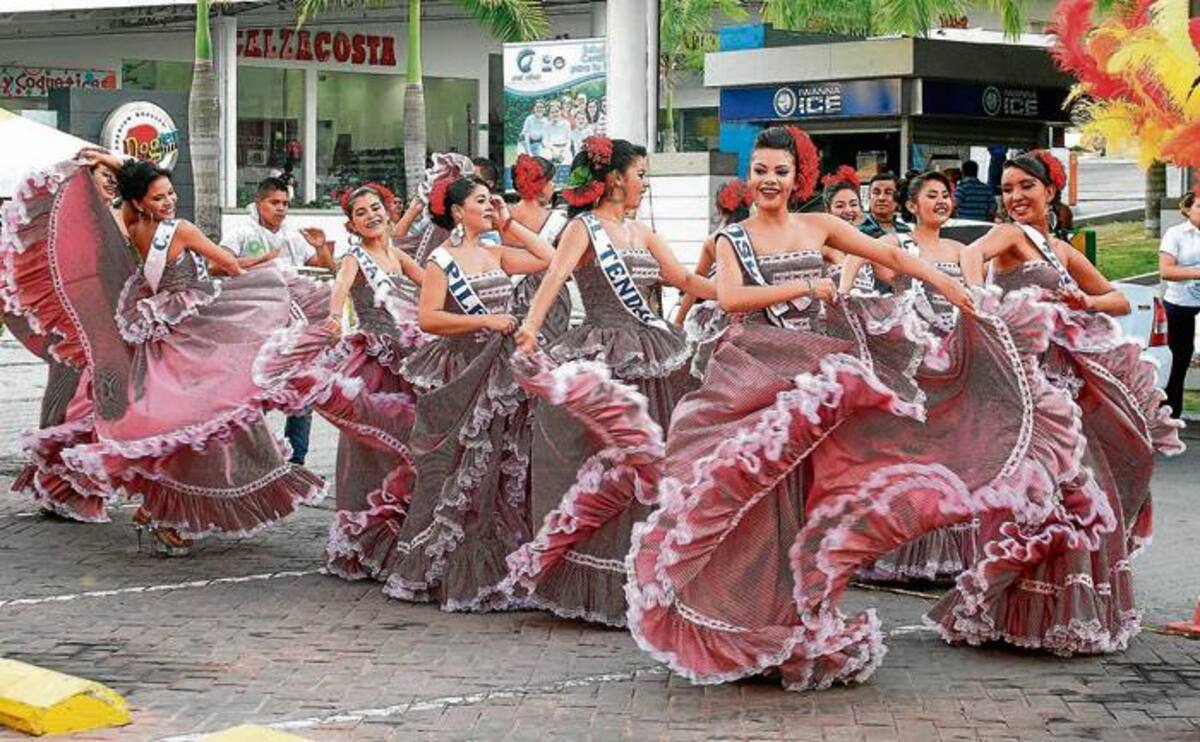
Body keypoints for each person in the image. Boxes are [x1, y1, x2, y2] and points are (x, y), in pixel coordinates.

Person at [625, 125, 979, 690]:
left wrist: (949, 285)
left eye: (780, 172)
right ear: (749, 176)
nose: (769, 181)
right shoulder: (731, 238)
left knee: (809, 508)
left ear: (797, 177)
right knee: (756, 509)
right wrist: (805, 290)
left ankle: (799, 620)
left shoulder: (819, 226)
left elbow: (887, 253)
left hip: (811, 381)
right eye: (760, 171)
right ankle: (750, 623)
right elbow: (733, 298)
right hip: (753, 377)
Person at [929, 150, 1185, 654]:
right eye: (1007, 189)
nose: (1016, 197)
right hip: (1025, 387)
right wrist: (984, 304)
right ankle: (1012, 609)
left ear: (1051, 191)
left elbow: (1116, 297)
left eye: (1026, 186)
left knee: (1079, 495)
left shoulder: (1060, 251)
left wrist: (1083, 302)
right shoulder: (1009, 236)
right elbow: (967, 256)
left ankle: (1051, 616)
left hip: (1066, 387)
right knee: (1032, 497)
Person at [3, 155, 326, 553]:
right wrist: (267, 264)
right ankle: (168, 512)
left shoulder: (130, 226)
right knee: (206, 414)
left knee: (175, 422)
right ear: (141, 201)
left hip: (156, 333)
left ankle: (161, 509)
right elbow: (229, 266)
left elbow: (130, 189)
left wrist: (108, 161)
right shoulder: (181, 230)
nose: (169, 201)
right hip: (189, 329)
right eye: (160, 197)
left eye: (170, 193)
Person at [507, 135, 714, 626]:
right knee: (609, 464)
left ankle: (653, 573)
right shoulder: (584, 228)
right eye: (641, 173)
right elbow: (555, 276)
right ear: (616, 177)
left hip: (652, 357)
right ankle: (604, 577)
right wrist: (532, 328)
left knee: (656, 465)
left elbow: (685, 282)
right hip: (605, 354)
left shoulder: (642, 233)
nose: (645, 182)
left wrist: (744, 294)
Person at [381, 174, 554, 611]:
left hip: (503, 373)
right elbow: (430, 319)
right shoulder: (442, 261)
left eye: (489, 200)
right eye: (480, 201)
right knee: (461, 467)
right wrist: (485, 321)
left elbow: (548, 258)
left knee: (502, 467)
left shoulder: (495, 250)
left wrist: (508, 220)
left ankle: (497, 563)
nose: (487, 207)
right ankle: (445, 568)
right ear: (459, 212)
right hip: (465, 371)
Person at [220, 176, 335, 466]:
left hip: (295, 330)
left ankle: (297, 461)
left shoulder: (293, 237)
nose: (281, 208)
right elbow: (216, 265)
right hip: (255, 329)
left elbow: (325, 270)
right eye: (275, 203)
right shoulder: (241, 233)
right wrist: (262, 262)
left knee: (302, 393)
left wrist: (321, 248)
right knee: (256, 395)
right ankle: (250, 459)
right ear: (260, 204)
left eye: (285, 203)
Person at [673, 178, 752, 380]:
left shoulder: (713, 240)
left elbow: (693, 284)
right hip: (756, 314)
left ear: (718, 208)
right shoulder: (759, 235)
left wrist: (678, 322)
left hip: (717, 318)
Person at [509, 153, 576, 339]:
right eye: (552, 181)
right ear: (542, 185)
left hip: (509, 292)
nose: (554, 187)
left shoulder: (504, 216)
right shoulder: (558, 219)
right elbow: (566, 265)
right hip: (549, 291)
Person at [1158, 188, 1200, 419]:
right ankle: (1171, 415)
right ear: (1187, 209)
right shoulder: (1176, 234)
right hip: (1180, 306)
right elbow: (1167, 271)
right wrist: (1197, 273)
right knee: (1178, 360)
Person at [859, 172, 910, 237]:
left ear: (898, 197)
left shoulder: (906, 231)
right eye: (876, 192)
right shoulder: (859, 232)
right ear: (869, 196)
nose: (881, 198)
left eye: (888, 192)